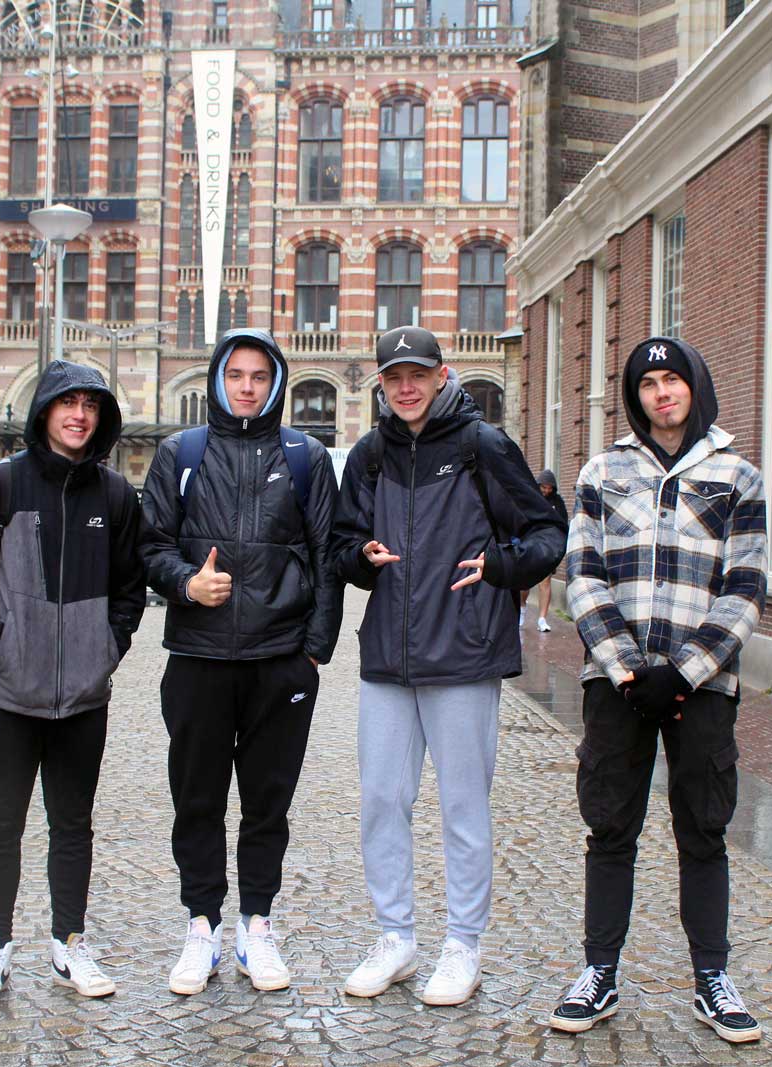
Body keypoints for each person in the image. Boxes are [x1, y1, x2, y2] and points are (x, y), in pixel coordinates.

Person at [332, 326, 566, 1007]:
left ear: (442, 374)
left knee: (463, 807)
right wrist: (359, 558)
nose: (406, 387)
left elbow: (548, 531)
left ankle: (463, 944)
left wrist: (500, 565)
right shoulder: (370, 454)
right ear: (381, 383)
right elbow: (341, 543)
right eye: (394, 376)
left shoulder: (481, 445)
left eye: (418, 374)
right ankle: (395, 937)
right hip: (388, 655)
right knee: (381, 800)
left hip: (464, 652)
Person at [548, 336, 767, 1043]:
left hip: (704, 686)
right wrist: (625, 667)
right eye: (648, 383)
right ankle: (599, 972)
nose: (661, 392)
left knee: (703, 829)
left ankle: (712, 978)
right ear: (635, 395)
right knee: (610, 827)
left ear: (694, 386)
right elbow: (582, 575)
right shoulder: (602, 472)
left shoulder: (738, 476)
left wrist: (686, 670)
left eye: (672, 379)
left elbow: (746, 585)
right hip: (617, 685)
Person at [141, 328, 343, 996]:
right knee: (196, 800)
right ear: (218, 380)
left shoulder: (307, 457)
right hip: (197, 658)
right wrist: (185, 584)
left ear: (276, 382)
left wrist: (313, 651)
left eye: (260, 375)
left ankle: (257, 925)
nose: (248, 387)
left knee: (267, 805)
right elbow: (150, 546)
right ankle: (201, 926)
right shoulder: (181, 453)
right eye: (236, 375)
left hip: (279, 660)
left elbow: (327, 555)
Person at [0, 359, 146, 1010]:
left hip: (82, 698)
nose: (79, 415)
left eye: (91, 404)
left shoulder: (116, 496)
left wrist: (105, 650)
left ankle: (69, 942)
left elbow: (131, 588)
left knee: (73, 826)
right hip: (7, 697)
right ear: (45, 410)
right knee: (0, 826)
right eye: (68, 403)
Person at [522, 469, 569, 632]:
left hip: (548, 546)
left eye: (550, 488)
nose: (546, 491)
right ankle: (522, 607)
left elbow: (563, 522)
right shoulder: (530, 497)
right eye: (544, 487)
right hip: (530, 543)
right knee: (524, 582)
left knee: (545, 581)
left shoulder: (557, 502)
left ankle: (542, 619)